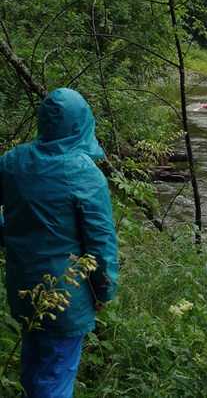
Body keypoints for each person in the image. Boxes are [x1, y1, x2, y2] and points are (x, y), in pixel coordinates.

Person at [0, 87, 119, 397]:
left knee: (34, 367)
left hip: (23, 289)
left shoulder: (14, 161)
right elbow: (101, 242)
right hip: (66, 298)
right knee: (54, 380)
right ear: (82, 124)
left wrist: (9, 232)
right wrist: (105, 290)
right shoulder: (84, 173)